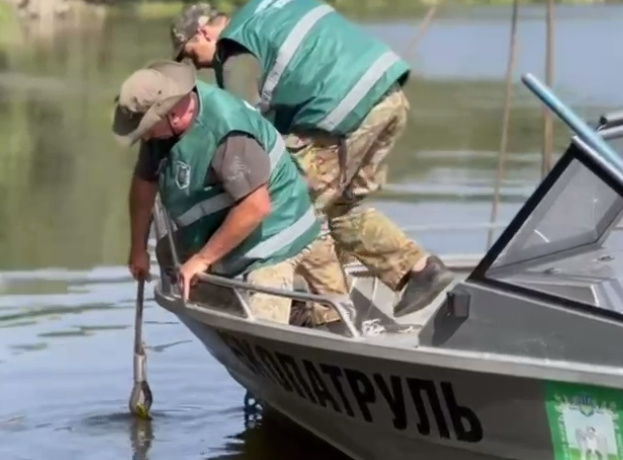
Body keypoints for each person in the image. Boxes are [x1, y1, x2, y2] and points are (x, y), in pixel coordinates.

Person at [166, 0, 456, 325]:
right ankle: (419, 271)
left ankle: (325, 317)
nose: (199, 66)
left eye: (192, 55)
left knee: (291, 204)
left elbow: (248, 135)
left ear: (204, 32)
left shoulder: (234, 51)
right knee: (340, 209)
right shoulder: (267, 9)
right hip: (388, 94)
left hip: (343, 112)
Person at [114, 59, 324, 325]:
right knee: (170, 257)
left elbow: (256, 206)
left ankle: (293, 311)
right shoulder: (163, 128)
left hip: (275, 234)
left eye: (146, 128)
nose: (144, 137)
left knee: (261, 327)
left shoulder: (226, 132)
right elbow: (144, 184)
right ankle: (237, 304)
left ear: (174, 114)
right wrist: (137, 248)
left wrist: (203, 260)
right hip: (226, 222)